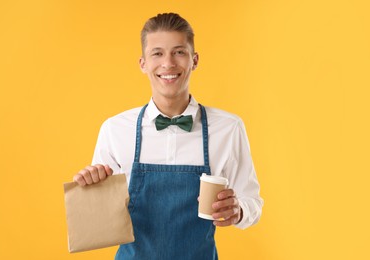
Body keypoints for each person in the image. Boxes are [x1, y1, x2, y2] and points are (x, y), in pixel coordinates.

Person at [73, 13, 263, 259]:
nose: (168, 64)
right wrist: (89, 188)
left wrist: (238, 211)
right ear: (143, 63)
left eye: (179, 52)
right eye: (157, 53)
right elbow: (100, 224)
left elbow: (253, 203)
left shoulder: (228, 128)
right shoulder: (115, 129)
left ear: (194, 60)